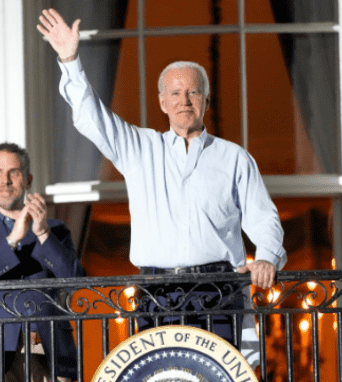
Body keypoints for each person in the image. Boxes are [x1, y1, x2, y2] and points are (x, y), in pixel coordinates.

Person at [36, 9, 287, 346]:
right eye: (175, 93)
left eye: (193, 93)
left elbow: (263, 217)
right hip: (157, 294)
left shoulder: (233, 157)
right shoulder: (140, 148)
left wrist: (268, 257)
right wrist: (70, 60)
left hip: (219, 291)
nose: (184, 100)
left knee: (220, 374)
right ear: (162, 103)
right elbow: (91, 118)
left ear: (206, 101)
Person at [0, 143, 85, 382]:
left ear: (28, 179)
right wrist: (12, 240)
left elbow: (76, 280)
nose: (6, 180)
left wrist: (42, 233)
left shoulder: (55, 230)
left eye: (14, 172)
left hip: (47, 350)